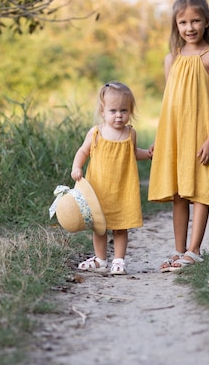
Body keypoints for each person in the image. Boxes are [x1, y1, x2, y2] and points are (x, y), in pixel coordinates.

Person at [148, 0, 209, 272]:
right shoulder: (172, 59)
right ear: (176, 25)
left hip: (200, 135)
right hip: (175, 135)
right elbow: (169, 102)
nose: (189, 28)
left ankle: (195, 251)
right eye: (183, 22)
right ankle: (178, 250)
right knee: (179, 192)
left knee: (200, 189)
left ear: (207, 22)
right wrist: (162, 139)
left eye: (195, 21)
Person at [71, 81, 152, 275]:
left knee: (121, 226)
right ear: (103, 110)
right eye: (113, 110)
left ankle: (118, 260)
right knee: (99, 227)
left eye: (124, 110)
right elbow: (83, 151)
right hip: (99, 189)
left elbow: (132, 153)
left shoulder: (130, 133)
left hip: (122, 189)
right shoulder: (96, 133)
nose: (119, 115)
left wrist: (148, 154)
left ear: (130, 111)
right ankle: (100, 259)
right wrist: (76, 167)